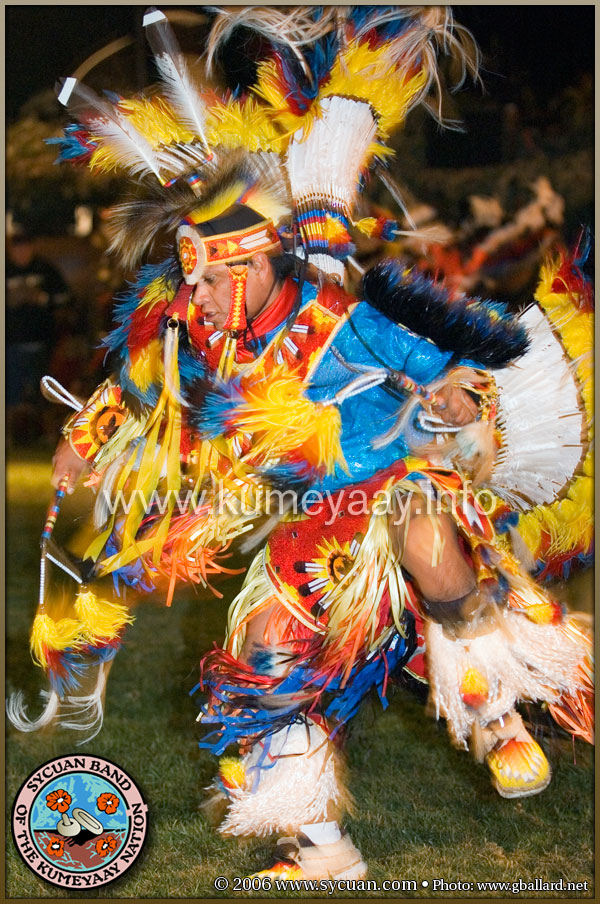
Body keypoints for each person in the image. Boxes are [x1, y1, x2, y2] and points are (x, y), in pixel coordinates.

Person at [8, 6, 593, 882]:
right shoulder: (194, 332)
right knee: (264, 665)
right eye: (188, 275)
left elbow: (448, 363)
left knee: (427, 535)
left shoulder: (340, 316)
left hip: (399, 489)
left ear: (251, 266)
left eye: (206, 276)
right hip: (309, 528)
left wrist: (451, 393)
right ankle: (322, 849)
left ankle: (498, 714)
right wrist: (84, 439)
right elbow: (137, 392)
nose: (191, 293)